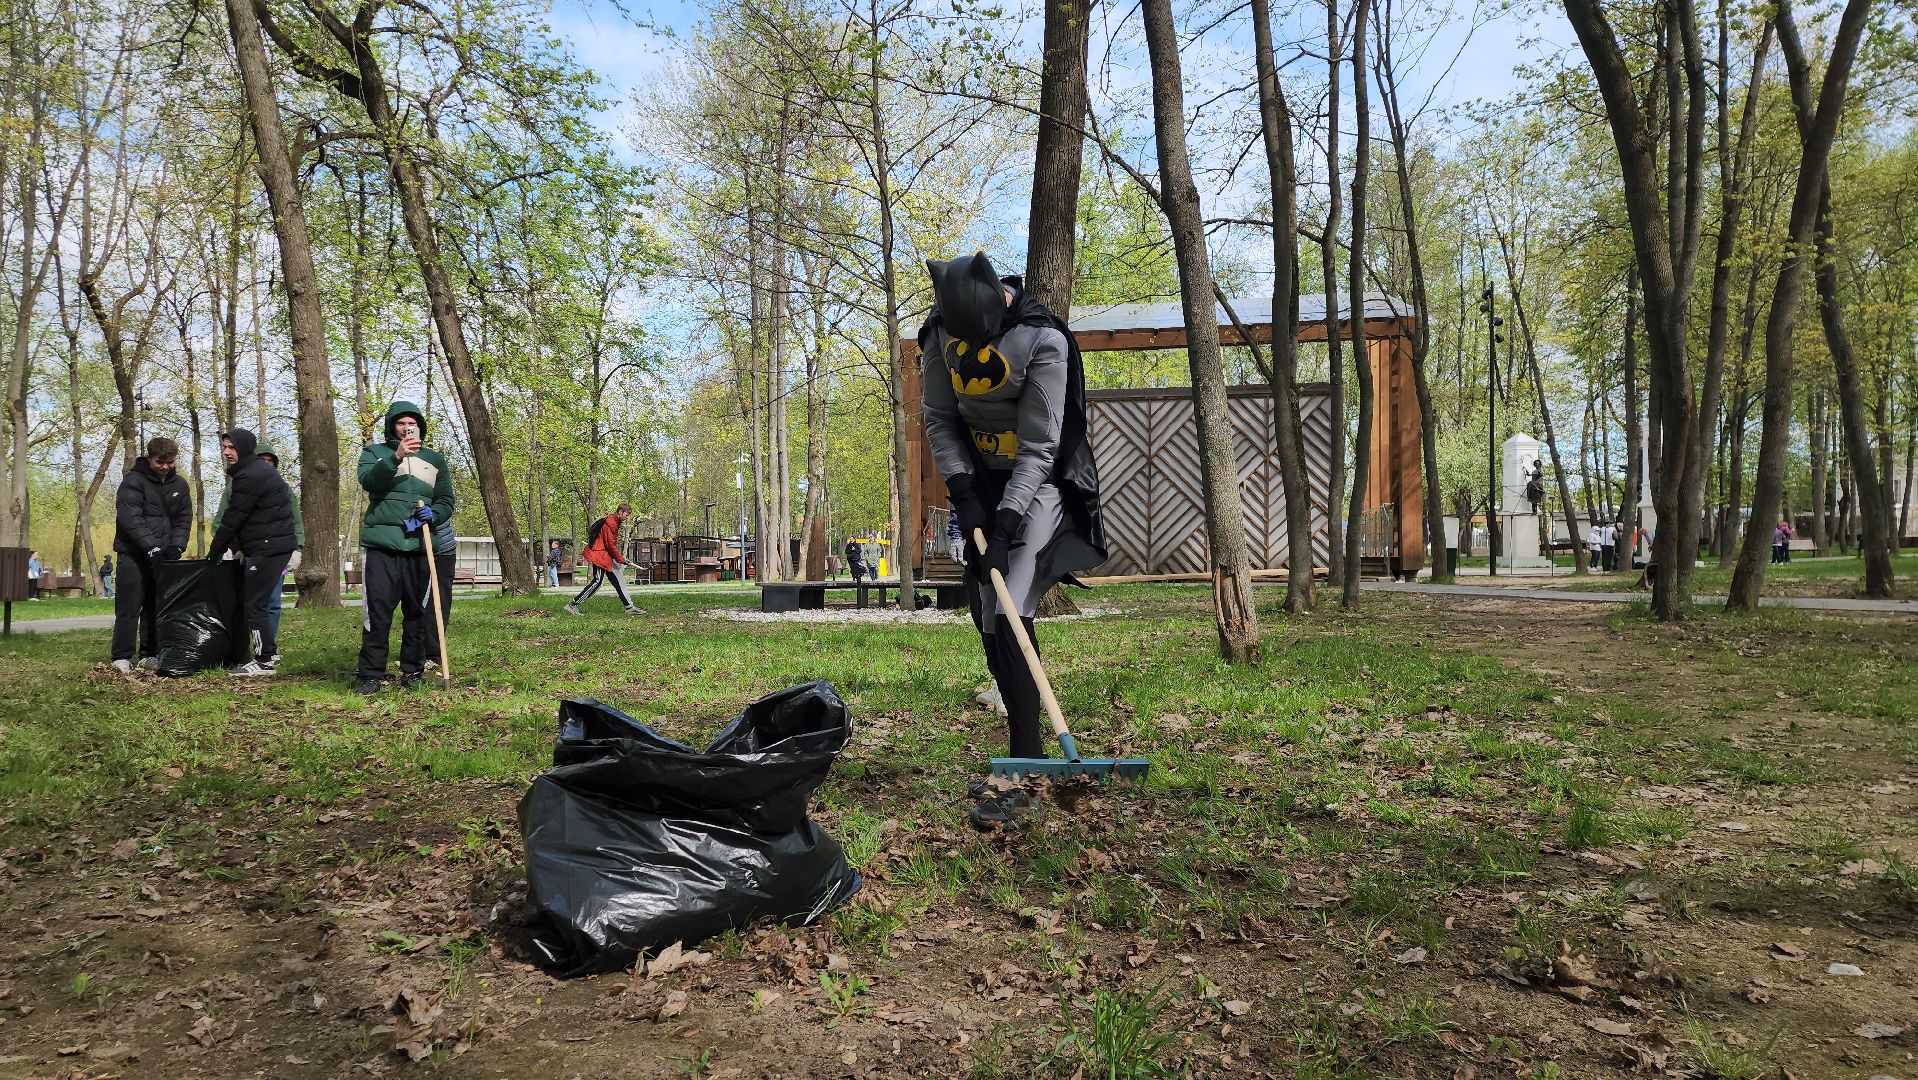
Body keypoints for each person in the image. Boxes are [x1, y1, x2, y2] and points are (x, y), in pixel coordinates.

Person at [920, 251, 1106, 830]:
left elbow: (1040, 448)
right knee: (984, 613)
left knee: (1009, 608)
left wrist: (1003, 525)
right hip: (978, 485)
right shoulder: (938, 335)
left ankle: (1025, 768)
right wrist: (966, 496)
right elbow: (939, 418)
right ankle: (1024, 755)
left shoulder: (1043, 340)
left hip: (1037, 486)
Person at [354, 401, 455, 694]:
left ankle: (413, 671)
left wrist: (434, 514)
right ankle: (370, 674)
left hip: (421, 547)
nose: (407, 427)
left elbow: (446, 499)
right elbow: (369, 482)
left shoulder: (435, 460)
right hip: (383, 547)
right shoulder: (374, 453)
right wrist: (396, 457)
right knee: (378, 612)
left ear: (420, 427)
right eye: (401, 423)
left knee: (417, 612)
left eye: (412, 422)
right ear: (392, 427)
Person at [205, 428, 298, 677]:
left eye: (232, 447)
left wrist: (215, 552)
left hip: (268, 547)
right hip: (268, 545)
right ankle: (269, 650)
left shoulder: (250, 476)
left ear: (245, 449)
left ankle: (264, 659)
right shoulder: (255, 471)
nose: (226, 452)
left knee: (255, 604)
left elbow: (233, 518)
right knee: (257, 602)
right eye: (224, 447)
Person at [110, 437, 192, 674]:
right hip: (133, 554)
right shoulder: (133, 482)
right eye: (160, 462)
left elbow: (183, 519)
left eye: (170, 462)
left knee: (156, 606)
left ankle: (149, 653)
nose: (165, 466)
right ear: (150, 458)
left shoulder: (180, 486)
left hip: (163, 556)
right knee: (129, 606)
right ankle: (121, 656)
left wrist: (176, 546)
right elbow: (129, 519)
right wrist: (150, 546)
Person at [566, 503, 639, 615]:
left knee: (618, 579)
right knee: (598, 582)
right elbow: (610, 545)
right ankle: (573, 605)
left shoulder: (614, 521)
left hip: (606, 555)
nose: (627, 517)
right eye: (626, 514)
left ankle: (629, 606)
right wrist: (620, 559)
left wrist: (620, 558)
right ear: (620, 512)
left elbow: (610, 545)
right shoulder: (611, 523)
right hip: (600, 555)